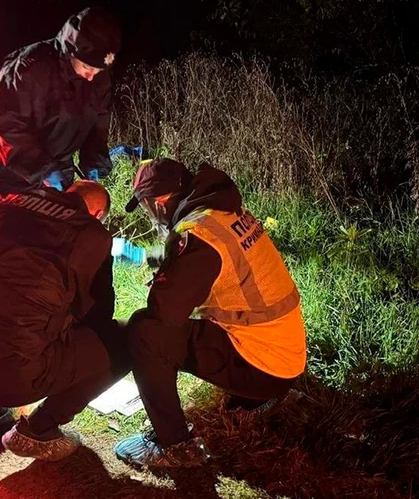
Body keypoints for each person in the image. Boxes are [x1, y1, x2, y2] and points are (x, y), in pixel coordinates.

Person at [112, 159, 307, 468]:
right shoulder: (221, 212)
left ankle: (173, 443)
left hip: (263, 368)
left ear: (160, 202)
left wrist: (164, 275)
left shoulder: (197, 236)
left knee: (144, 331)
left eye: (148, 208)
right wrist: (153, 259)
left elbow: (165, 312)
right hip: (286, 355)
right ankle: (252, 399)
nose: (152, 216)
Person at [0, 180, 129, 461]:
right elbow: (99, 316)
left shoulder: (12, 205)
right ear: (96, 214)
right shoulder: (91, 234)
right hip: (10, 378)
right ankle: (40, 429)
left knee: (2, 309)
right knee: (125, 339)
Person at [0, 7, 122, 212]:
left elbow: (98, 121)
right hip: (13, 174)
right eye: (87, 68)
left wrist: (94, 162)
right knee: (11, 235)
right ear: (72, 51)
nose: (92, 77)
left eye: (99, 71)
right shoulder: (28, 69)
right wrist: (44, 171)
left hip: (59, 167)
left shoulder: (98, 77)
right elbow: (6, 129)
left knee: (56, 230)